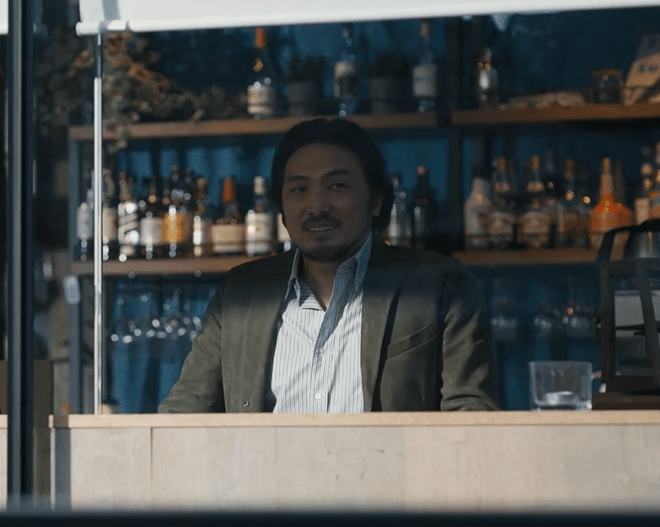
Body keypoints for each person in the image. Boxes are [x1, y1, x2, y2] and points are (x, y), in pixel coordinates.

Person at [160, 118, 498, 413]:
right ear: (282, 211)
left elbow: (471, 417)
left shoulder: (440, 285)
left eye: (337, 186)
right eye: (299, 189)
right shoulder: (239, 294)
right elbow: (183, 415)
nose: (317, 206)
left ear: (376, 200)